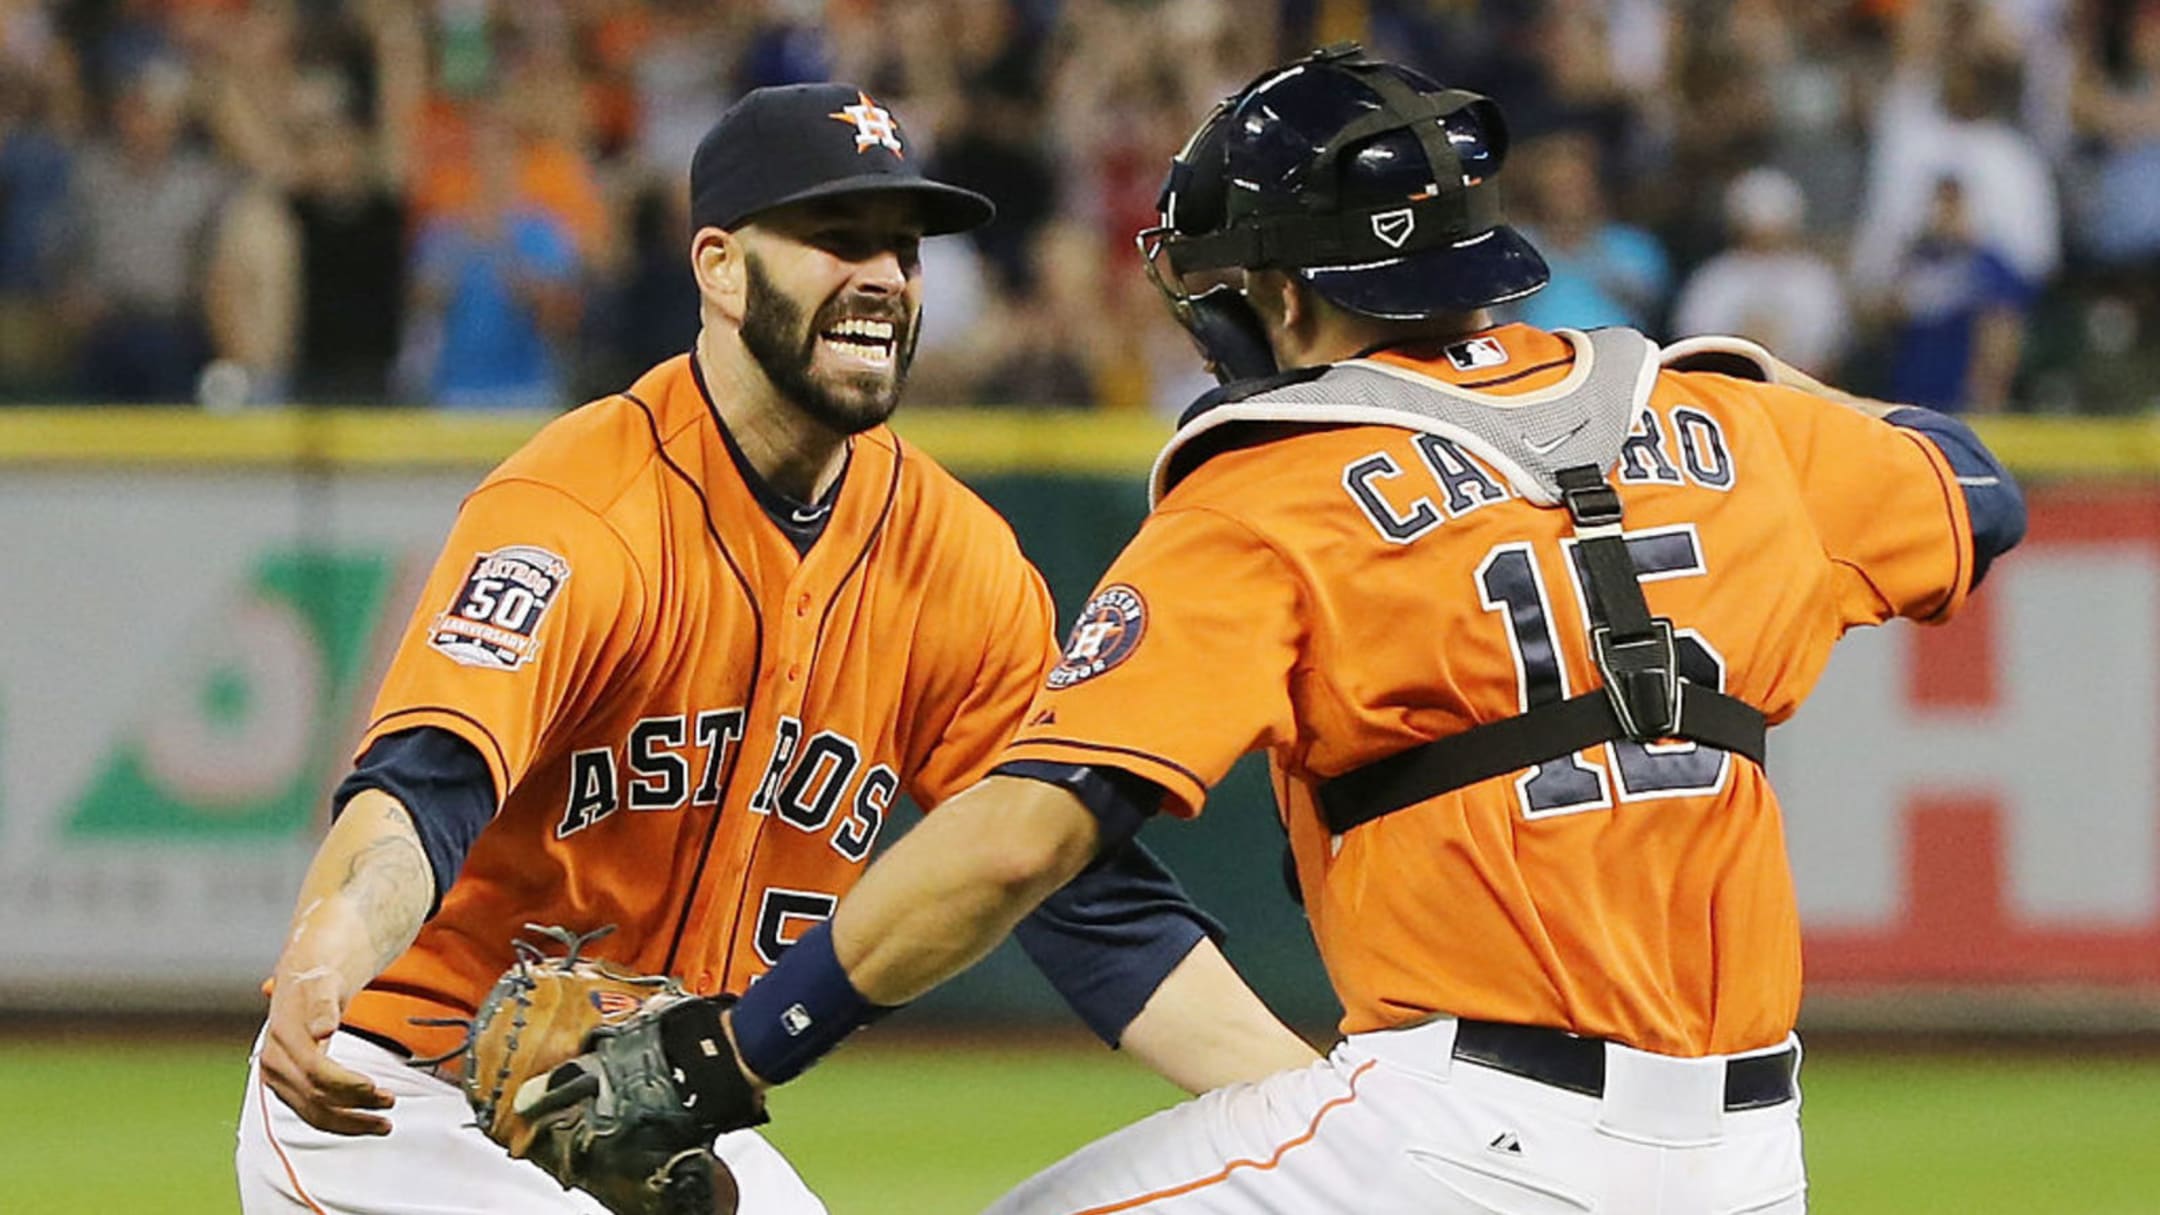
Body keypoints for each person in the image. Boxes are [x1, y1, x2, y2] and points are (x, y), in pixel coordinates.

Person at [578, 45, 2025, 1213]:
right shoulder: (1719, 414)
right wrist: (1759, 380)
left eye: (1233, 281)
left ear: (1289, 285)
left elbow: (1025, 835)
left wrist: (729, 1045)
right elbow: (1977, 487)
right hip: (1754, 1156)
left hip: (1460, 1131)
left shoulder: (1277, 483)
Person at [234, 82, 1313, 1215]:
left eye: (902, 249)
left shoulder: (957, 562)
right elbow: (423, 789)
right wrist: (328, 948)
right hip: (401, 1103)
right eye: (834, 240)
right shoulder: (578, 509)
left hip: (647, 1114)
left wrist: (1332, 1119)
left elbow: (1087, 901)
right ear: (719, 266)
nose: (886, 277)